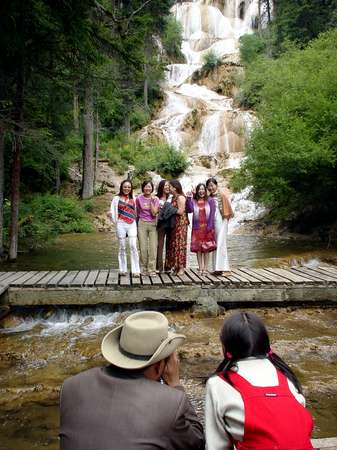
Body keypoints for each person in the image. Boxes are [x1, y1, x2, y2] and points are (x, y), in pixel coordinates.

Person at [60, 311, 205, 450]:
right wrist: (175, 385)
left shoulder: (71, 387)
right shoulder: (171, 402)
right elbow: (197, 442)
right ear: (159, 366)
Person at [205, 311, 314, 450]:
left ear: (225, 348)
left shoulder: (217, 383)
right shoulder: (285, 375)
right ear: (267, 345)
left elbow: (216, 446)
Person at [108, 180, 140, 277]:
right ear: (122, 187)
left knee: (133, 246)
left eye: (129, 187)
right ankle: (122, 269)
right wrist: (111, 217)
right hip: (121, 223)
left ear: (131, 188)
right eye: (125, 187)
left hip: (132, 223)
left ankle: (136, 270)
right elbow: (112, 211)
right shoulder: (116, 198)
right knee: (122, 247)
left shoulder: (134, 198)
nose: (127, 189)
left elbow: (138, 212)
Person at [186, 183, 217, 274]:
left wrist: (210, 226)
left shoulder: (210, 201)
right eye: (199, 189)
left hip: (207, 227)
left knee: (206, 248)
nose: (201, 191)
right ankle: (200, 267)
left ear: (205, 190)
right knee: (199, 248)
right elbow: (190, 210)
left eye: (203, 189)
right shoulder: (194, 200)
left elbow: (212, 214)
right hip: (197, 228)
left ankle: (206, 268)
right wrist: (188, 198)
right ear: (197, 191)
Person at [206, 178, 234, 275]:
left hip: (221, 222)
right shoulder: (209, 197)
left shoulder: (221, 195)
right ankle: (217, 268)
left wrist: (225, 221)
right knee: (215, 244)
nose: (211, 187)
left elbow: (227, 211)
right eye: (209, 185)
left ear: (216, 185)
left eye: (212, 185)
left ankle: (226, 269)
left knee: (221, 243)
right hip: (213, 223)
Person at [136, 180, 159, 276]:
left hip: (153, 224)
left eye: (149, 187)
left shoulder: (156, 199)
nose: (147, 188)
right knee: (143, 247)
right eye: (146, 186)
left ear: (152, 188)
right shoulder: (138, 198)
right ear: (143, 188)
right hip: (142, 223)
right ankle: (143, 268)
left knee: (153, 248)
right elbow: (137, 212)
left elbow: (154, 213)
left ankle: (151, 269)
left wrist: (152, 202)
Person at [165, 180, 189, 276]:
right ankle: (175, 266)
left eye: (170, 187)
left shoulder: (180, 197)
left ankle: (181, 268)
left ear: (175, 188)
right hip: (174, 224)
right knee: (174, 245)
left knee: (180, 245)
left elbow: (180, 211)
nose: (169, 188)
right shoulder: (173, 197)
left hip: (181, 224)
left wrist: (168, 208)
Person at [156, 179, 173, 273]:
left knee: (169, 246)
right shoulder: (156, 198)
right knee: (160, 245)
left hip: (171, 224)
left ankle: (168, 267)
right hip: (161, 224)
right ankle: (159, 267)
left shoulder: (172, 197)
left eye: (168, 185)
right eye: (165, 185)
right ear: (161, 187)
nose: (167, 187)